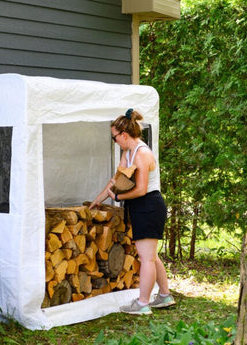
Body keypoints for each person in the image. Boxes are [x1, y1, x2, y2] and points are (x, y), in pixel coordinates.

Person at [89, 108, 175, 315]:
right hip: (140, 206)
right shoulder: (128, 153)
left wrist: (118, 198)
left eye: (114, 137)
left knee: (146, 258)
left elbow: (141, 189)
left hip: (149, 206)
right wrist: (97, 200)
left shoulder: (142, 154)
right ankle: (165, 296)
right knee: (151, 256)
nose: (114, 141)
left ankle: (143, 304)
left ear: (124, 135)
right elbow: (115, 182)